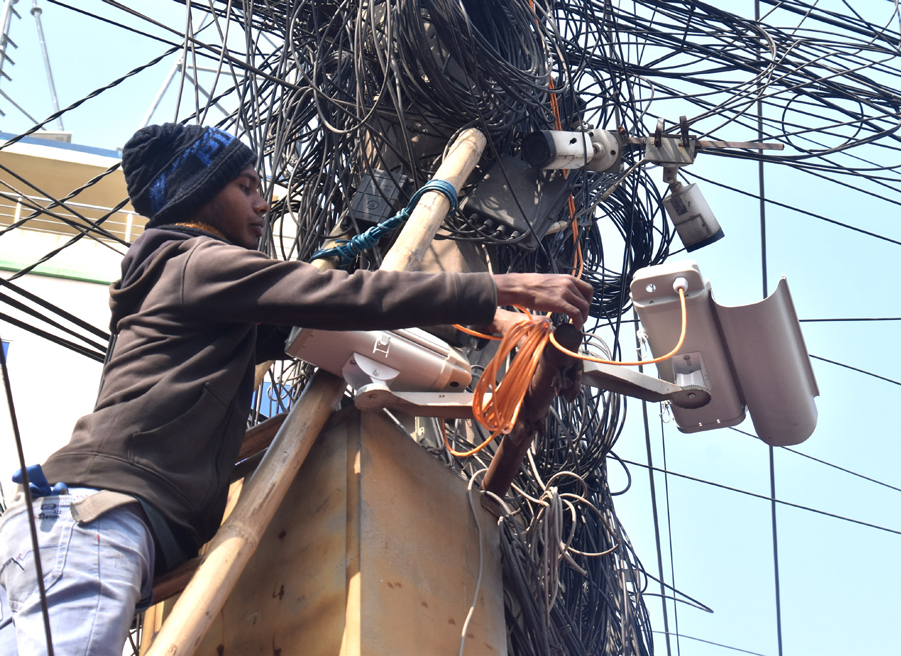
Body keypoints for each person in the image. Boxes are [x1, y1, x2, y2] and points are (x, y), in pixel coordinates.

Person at [0, 122, 593, 655]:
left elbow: (334, 317)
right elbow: (342, 297)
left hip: (82, 527)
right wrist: (504, 287)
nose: (265, 203)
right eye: (246, 187)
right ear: (198, 195)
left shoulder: (195, 288)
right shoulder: (194, 264)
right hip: (96, 523)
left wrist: (498, 324)